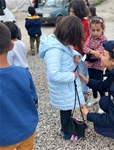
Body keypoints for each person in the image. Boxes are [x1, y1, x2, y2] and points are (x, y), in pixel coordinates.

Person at [39, 15, 86, 141]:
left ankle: (67, 127)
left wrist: (76, 56)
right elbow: (53, 75)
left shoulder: (62, 43)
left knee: (67, 109)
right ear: (70, 35)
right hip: (63, 88)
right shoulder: (54, 51)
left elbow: (69, 52)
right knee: (65, 111)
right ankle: (66, 132)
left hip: (67, 87)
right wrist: (72, 76)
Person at [0, 22, 38, 150]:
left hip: (3, 138)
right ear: (11, 46)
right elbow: (33, 98)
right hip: (27, 130)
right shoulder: (23, 73)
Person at [83, 17, 107, 113]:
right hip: (90, 64)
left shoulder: (104, 40)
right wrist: (93, 51)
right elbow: (85, 47)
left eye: (98, 30)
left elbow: (100, 53)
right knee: (92, 82)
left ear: (102, 29)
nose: (95, 32)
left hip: (98, 66)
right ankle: (95, 97)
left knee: (100, 84)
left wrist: (91, 51)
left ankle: (103, 102)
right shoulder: (90, 37)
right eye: (93, 30)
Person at [68, 0, 89, 100]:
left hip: (81, 54)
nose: (71, 13)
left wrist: (75, 49)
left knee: (82, 72)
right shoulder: (70, 22)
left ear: (79, 11)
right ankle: (76, 89)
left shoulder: (85, 23)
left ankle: (84, 91)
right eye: (70, 11)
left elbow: (85, 40)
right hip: (72, 52)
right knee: (73, 71)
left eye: (73, 12)